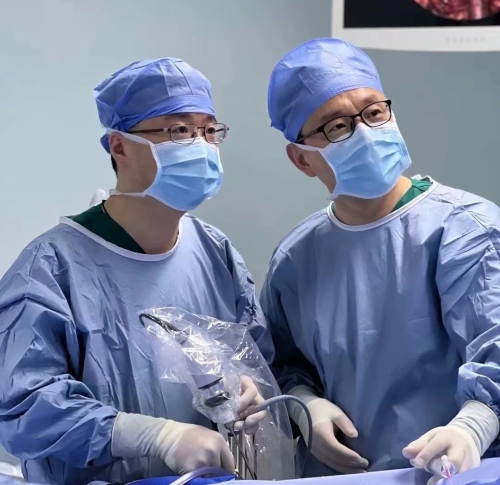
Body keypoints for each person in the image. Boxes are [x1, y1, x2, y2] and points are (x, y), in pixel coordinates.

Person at [0, 58, 273, 485]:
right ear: (120, 147)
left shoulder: (216, 252)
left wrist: (249, 392)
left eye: (209, 130)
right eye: (179, 130)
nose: (201, 145)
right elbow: (24, 406)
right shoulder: (50, 268)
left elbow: (255, 356)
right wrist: (152, 437)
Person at [261, 38, 500, 484]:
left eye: (374, 112)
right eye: (337, 126)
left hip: (458, 474)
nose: (366, 133)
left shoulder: (466, 230)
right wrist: (305, 404)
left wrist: (473, 428)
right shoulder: (296, 259)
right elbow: (282, 362)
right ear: (301, 159)